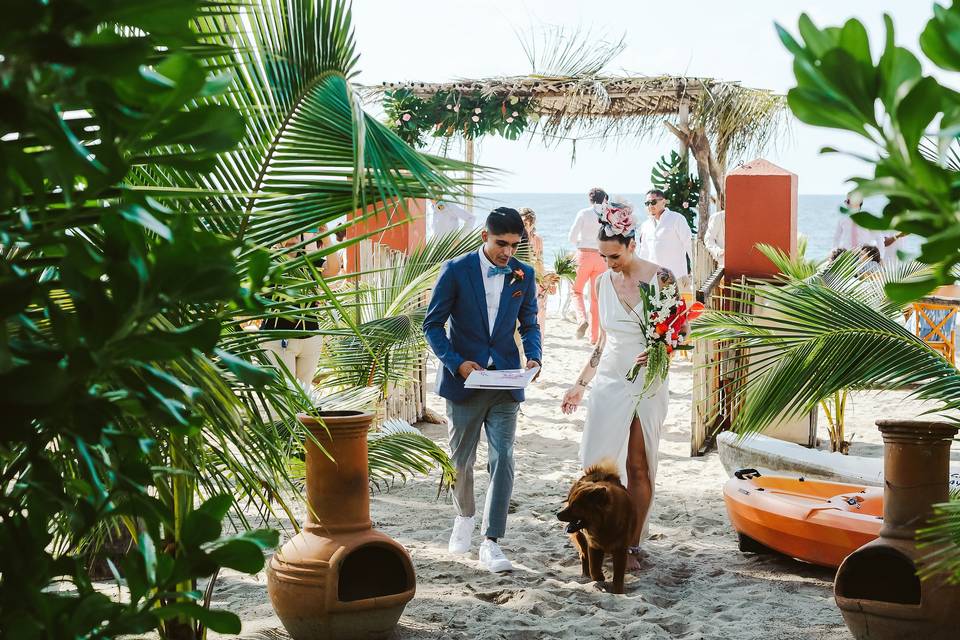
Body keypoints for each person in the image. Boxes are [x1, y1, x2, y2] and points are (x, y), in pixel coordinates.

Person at [424, 207, 542, 573]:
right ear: (484, 237)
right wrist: (456, 362)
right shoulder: (456, 271)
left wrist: (535, 358)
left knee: (503, 457)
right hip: (464, 382)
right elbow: (433, 325)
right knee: (461, 460)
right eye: (501, 244)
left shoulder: (525, 274)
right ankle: (464, 516)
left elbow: (530, 323)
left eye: (514, 246)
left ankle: (491, 541)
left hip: (505, 382)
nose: (508, 253)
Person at [560, 198, 675, 572]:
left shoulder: (662, 279)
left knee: (639, 466)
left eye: (614, 256)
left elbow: (677, 333)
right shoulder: (601, 285)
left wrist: (659, 350)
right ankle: (590, 538)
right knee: (598, 465)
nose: (609, 263)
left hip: (648, 381)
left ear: (631, 244)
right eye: (603, 256)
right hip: (611, 379)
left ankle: (630, 545)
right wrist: (580, 383)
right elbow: (602, 341)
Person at [262, 227, 341, 389]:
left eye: (297, 231)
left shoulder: (308, 260)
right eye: (289, 231)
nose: (294, 237)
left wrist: (326, 238)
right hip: (278, 337)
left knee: (303, 394)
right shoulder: (270, 261)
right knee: (286, 394)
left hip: (310, 337)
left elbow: (334, 269)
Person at [568, 188, 608, 344]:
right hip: (601, 258)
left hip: (584, 255)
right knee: (596, 298)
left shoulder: (584, 213)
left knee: (576, 291)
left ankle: (581, 319)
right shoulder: (606, 215)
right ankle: (594, 337)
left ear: (590, 199)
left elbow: (571, 237)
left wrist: (580, 242)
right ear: (604, 198)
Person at [637, 189, 693, 291]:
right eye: (647, 203)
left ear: (663, 202)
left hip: (677, 278)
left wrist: (694, 272)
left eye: (653, 202)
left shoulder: (677, 219)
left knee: (684, 307)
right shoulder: (645, 225)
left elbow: (689, 245)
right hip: (654, 281)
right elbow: (644, 253)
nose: (650, 206)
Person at [519, 207, 553, 335]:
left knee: (538, 318)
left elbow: (539, 262)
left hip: (535, 281)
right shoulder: (514, 239)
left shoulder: (537, 240)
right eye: (522, 223)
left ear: (532, 224)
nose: (525, 226)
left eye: (527, 223)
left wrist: (547, 281)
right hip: (519, 281)